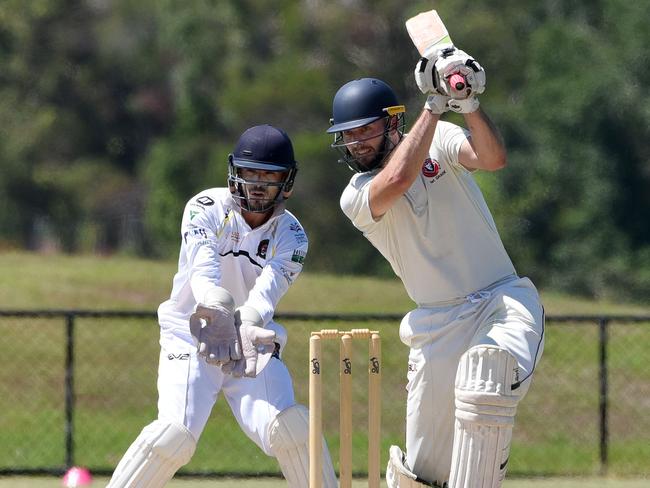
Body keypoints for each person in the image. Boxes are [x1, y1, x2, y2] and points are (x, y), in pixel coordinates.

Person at [326, 46, 545, 488]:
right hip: (436, 326)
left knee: (487, 382)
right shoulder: (357, 195)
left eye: (365, 130)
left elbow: (492, 159)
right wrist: (434, 102)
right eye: (349, 135)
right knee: (421, 474)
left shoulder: (441, 138)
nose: (356, 143)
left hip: (502, 300)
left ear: (392, 122)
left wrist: (468, 105)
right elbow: (399, 180)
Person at [107, 124, 337, 488]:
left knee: (293, 429)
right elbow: (203, 270)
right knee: (173, 436)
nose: (258, 184)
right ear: (234, 174)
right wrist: (214, 307)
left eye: (269, 175)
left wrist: (244, 323)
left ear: (287, 181)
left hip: (250, 342)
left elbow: (266, 293)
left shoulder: (293, 236)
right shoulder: (205, 206)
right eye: (250, 174)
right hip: (190, 336)